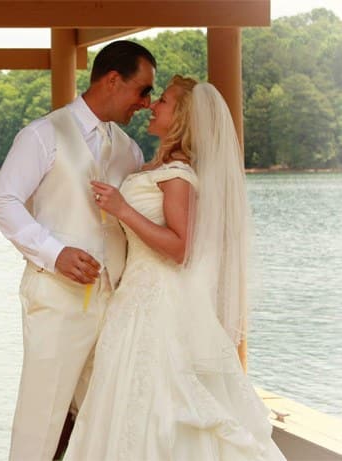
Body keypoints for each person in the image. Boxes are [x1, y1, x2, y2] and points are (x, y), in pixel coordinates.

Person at [63, 76, 286, 460]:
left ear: (181, 117)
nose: (153, 106)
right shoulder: (158, 167)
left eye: (162, 101)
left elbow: (180, 248)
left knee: (160, 399)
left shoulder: (178, 176)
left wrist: (122, 209)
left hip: (159, 302)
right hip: (135, 297)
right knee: (126, 400)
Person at [0, 40, 156, 461]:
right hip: (57, 301)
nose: (146, 103)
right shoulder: (41, 135)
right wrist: (55, 253)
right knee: (41, 418)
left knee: (106, 417)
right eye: (142, 90)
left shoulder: (130, 151)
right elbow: (3, 203)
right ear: (113, 80)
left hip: (115, 305)